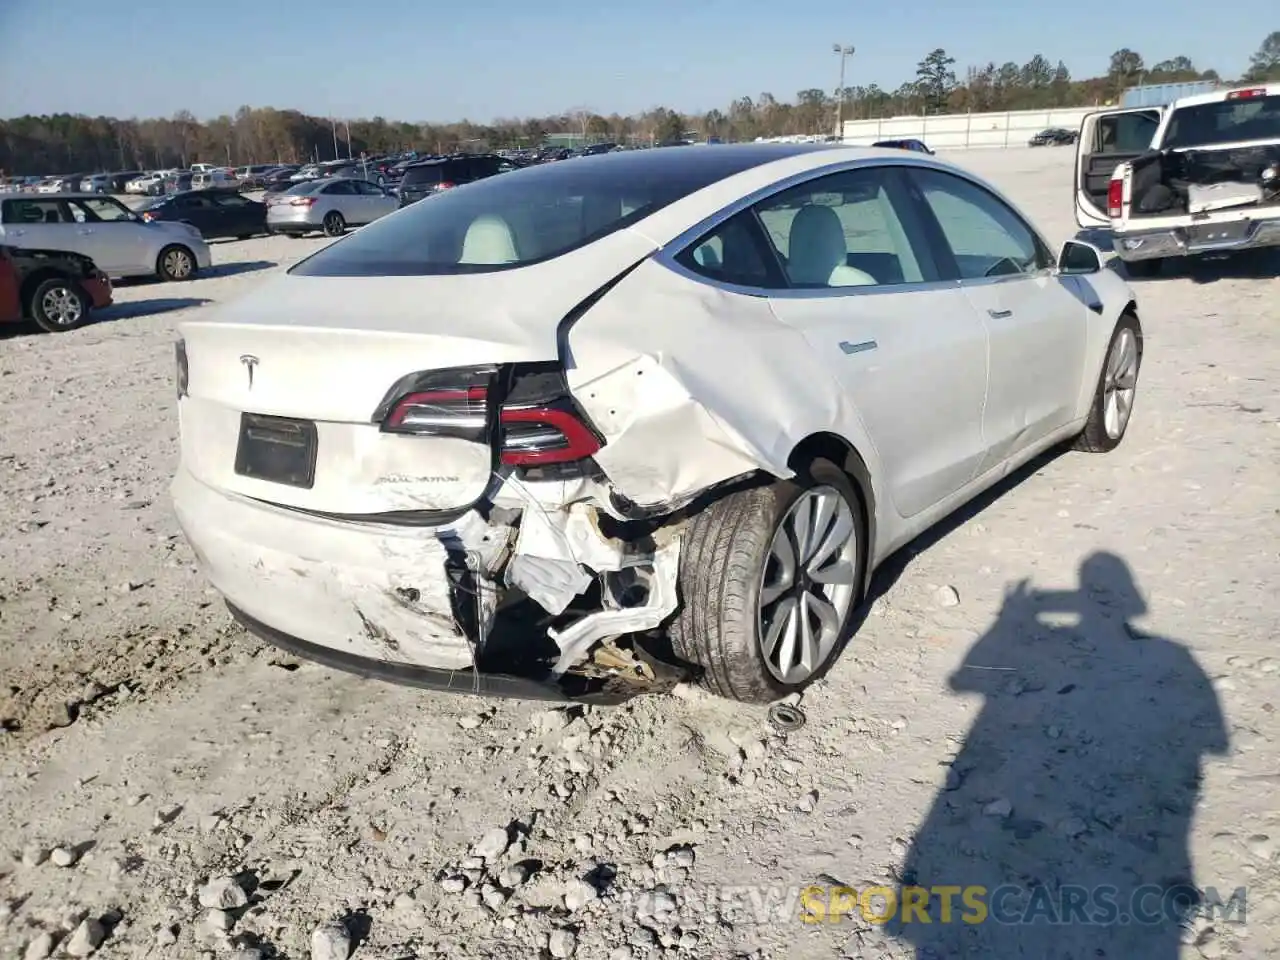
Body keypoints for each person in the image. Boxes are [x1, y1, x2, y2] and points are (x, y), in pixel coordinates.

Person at [887, 552, 1229, 958]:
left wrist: (1008, 620)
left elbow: (963, 679)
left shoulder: (1166, 655)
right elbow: (1217, 742)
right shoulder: (1176, 656)